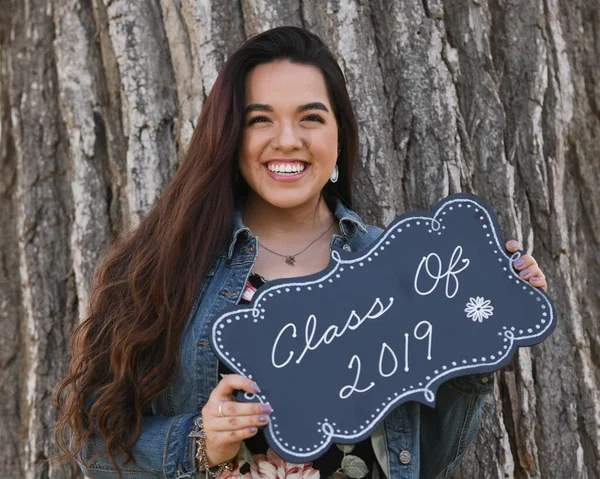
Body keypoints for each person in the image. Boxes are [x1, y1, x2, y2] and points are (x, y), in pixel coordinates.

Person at [53, 26, 548, 479]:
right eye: (260, 120)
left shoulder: (403, 269)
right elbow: (97, 446)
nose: (287, 140)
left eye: (310, 118)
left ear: (339, 135)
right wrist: (199, 443)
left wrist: (483, 333)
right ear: (230, 137)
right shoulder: (163, 271)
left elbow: (428, 460)